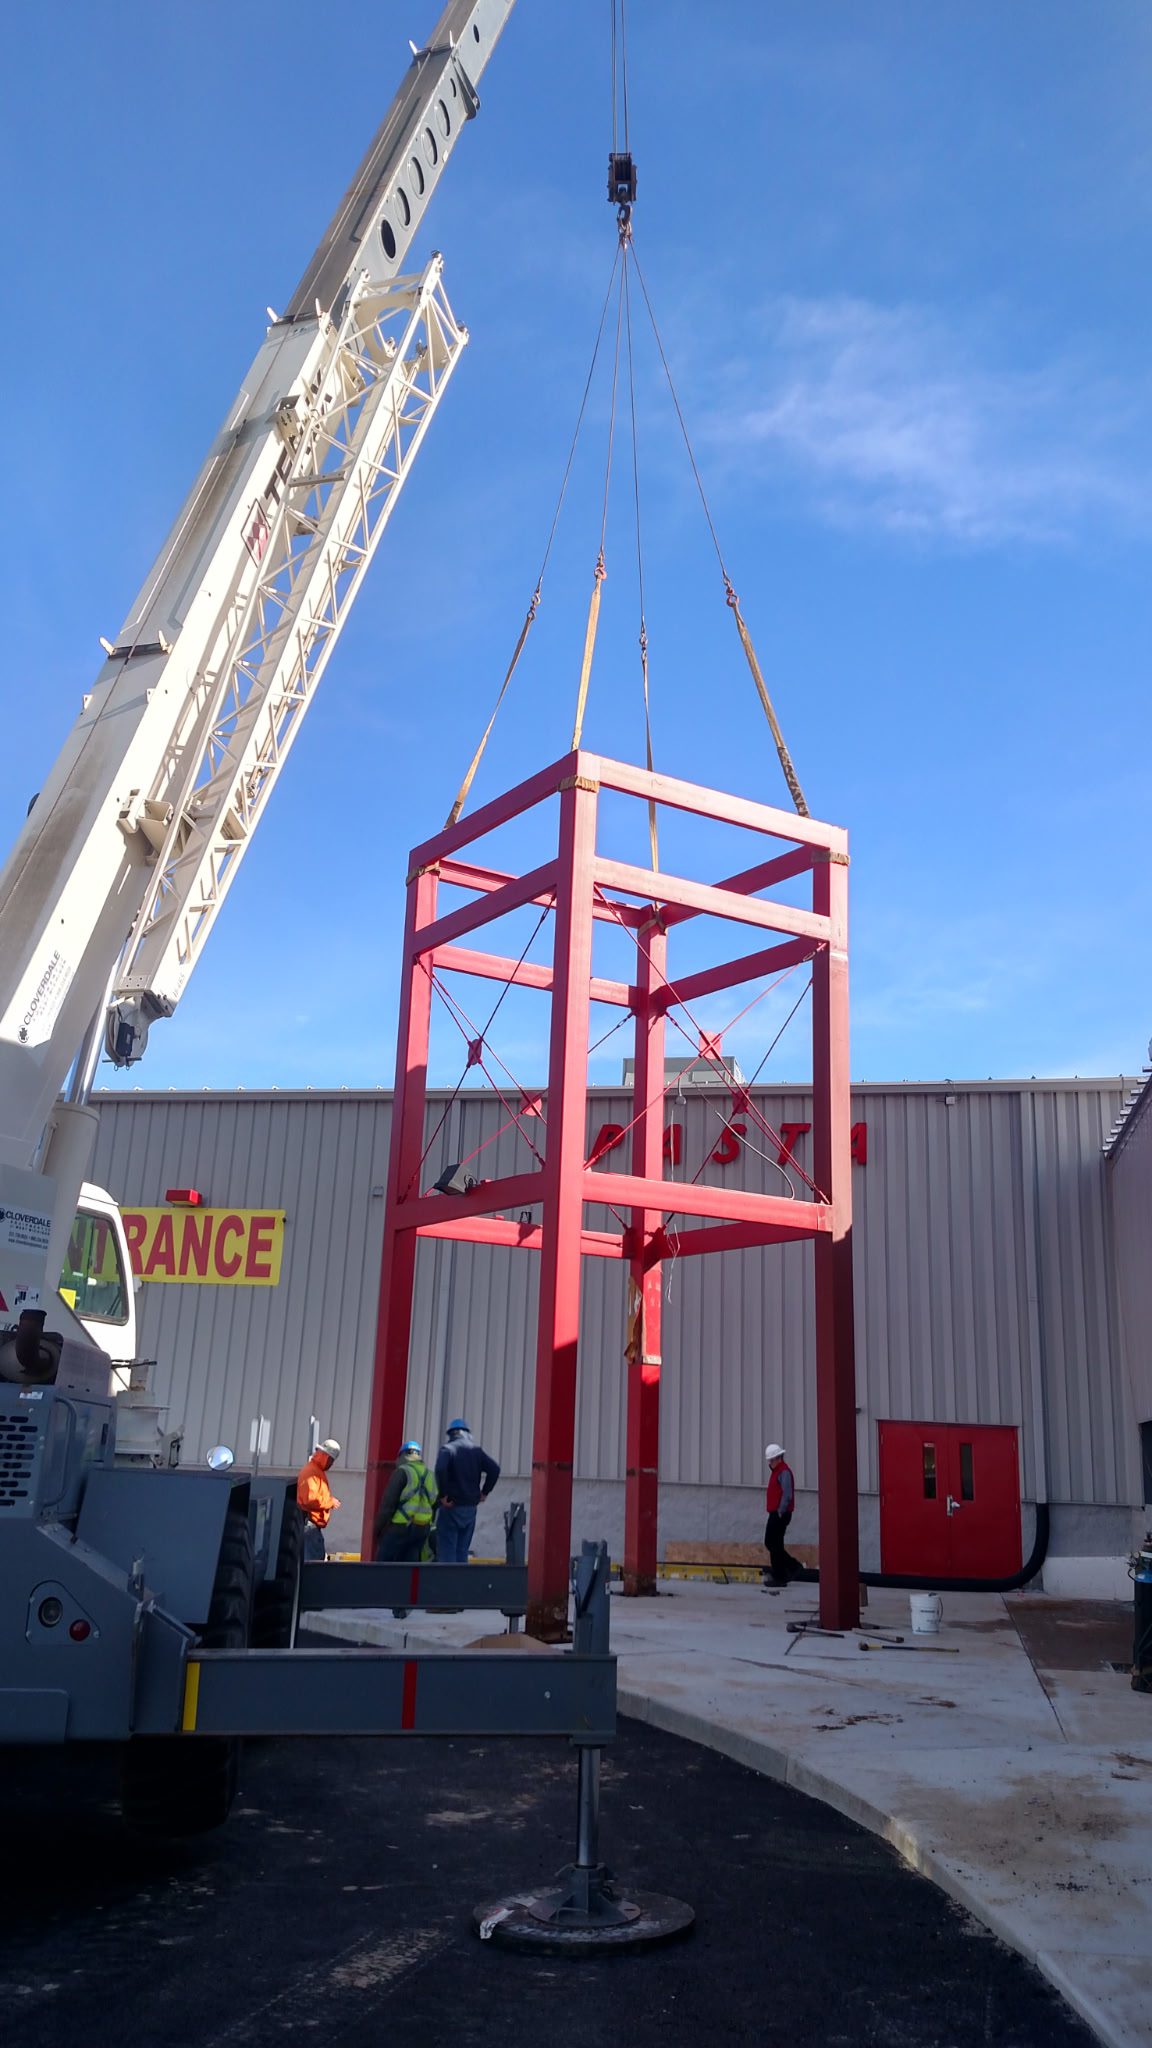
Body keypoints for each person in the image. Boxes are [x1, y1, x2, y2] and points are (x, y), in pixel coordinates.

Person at [373, 1439, 439, 1614]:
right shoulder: (429, 1474)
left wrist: (378, 1529)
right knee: (409, 1566)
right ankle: (404, 1604)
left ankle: (379, 1598)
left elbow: (388, 1504)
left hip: (401, 1527)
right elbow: (436, 1502)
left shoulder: (402, 1472)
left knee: (384, 1562)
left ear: (402, 1455)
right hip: (421, 1528)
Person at [434, 1418, 500, 1564]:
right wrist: (485, 1492)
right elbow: (495, 1469)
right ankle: (460, 1584)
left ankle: (447, 1585)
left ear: (451, 1434)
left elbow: (440, 1469)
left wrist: (444, 1495)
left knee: (447, 1551)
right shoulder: (476, 1451)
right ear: (467, 1434)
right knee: (462, 1551)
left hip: (452, 1507)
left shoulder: (448, 1449)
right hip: (470, 1508)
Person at [763, 1442, 802, 1587]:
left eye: (771, 1459)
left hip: (780, 1513)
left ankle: (783, 1573)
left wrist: (780, 1511)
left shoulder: (783, 1472)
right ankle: (788, 1568)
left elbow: (787, 1494)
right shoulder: (777, 1472)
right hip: (776, 1512)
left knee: (773, 1543)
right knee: (774, 1543)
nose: (770, 1462)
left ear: (778, 1458)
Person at [297, 1438, 341, 1562]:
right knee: (313, 1565)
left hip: (311, 1526)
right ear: (325, 1456)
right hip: (309, 1526)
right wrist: (330, 1502)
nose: (331, 1464)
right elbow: (310, 1499)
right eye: (331, 1460)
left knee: (314, 1562)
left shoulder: (316, 1471)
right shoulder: (311, 1472)